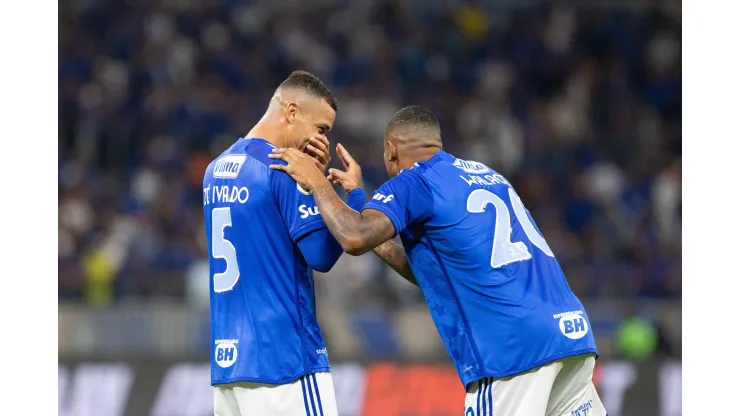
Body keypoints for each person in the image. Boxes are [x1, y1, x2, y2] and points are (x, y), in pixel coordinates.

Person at [269, 106, 607, 416]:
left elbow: (354, 237)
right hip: (570, 338)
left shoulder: (415, 181)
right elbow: (438, 275)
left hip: (512, 353)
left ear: (391, 150)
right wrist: (358, 197)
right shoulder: (488, 176)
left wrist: (315, 182)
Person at [202, 70, 365, 416]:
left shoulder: (215, 169)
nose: (321, 140)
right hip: (285, 364)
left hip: (229, 369)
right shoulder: (284, 168)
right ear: (291, 112)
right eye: (320, 128)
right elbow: (321, 255)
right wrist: (330, 189)